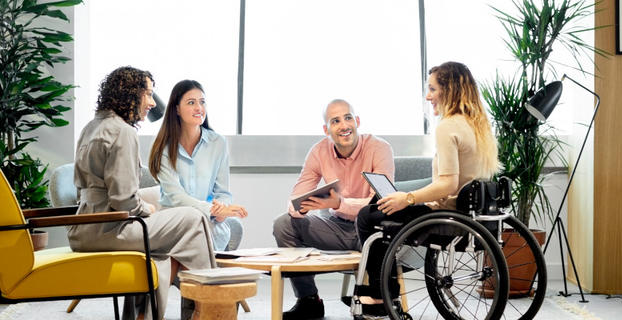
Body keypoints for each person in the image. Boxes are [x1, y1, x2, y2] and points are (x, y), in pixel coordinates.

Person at [68, 67, 216, 320]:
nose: (151, 102)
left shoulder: (92, 127)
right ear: (129, 94)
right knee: (194, 219)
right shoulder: (123, 132)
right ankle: (209, 308)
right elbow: (123, 199)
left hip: (83, 228)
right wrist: (146, 209)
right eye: (147, 94)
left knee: (164, 244)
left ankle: (143, 313)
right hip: (109, 229)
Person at [355, 61, 500, 316]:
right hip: (473, 216)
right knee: (378, 205)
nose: (428, 96)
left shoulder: (448, 127)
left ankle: (381, 295)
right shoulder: (479, 124)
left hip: (448, 218)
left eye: (432, 89)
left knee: (368, 216)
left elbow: (448, 184)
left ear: (450, 90)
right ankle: (382, 291)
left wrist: (407, 199)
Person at [272, 99, 395, 320]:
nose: (344, 125)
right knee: (284, 224)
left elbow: (382, 204)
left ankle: (380, 298)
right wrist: (301, 207)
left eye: (348, 118)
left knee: (379, 226)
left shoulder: (379, 148)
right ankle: (309, 300)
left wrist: (339, 203)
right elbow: (296, 196)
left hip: (368, 230)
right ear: (326, 129)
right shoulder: (319, 151)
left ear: (357, 121)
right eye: (335, 121)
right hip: (335, 226)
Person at [148, 79, 248, 252]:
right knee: (199, 232)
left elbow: (223, 192)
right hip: (173, 220)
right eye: (191, 102)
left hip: (207, 221)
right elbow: (176, 197)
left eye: (202, 102)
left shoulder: (218, 143)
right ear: (177, 109)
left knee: (212, 230)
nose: (199, 108)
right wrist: (212, 210)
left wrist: (221, 209)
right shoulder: (163, 146)